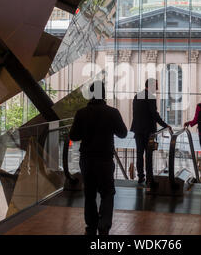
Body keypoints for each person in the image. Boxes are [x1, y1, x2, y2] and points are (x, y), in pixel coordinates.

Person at [69, 81, 128, 236]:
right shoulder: (112, 112)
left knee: (89, 193)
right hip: (105, 159)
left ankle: (91, 224)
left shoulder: (81, 113)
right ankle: (104, 224)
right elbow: (123, 133)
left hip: (87, 159)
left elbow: (73, 135)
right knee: (108, 192)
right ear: (104, 94)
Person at [130, 78, 171, 187]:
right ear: (152, 86)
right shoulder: (151, 97)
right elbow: (154, 114)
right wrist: (165, 125)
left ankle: (140, 177)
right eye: (156, 85)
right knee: (149, 155)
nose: (157, 88)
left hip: (138, 130)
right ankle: (149, 178)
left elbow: (135, 113)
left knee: (139, 154)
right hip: (149, 131)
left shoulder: (136, 96)